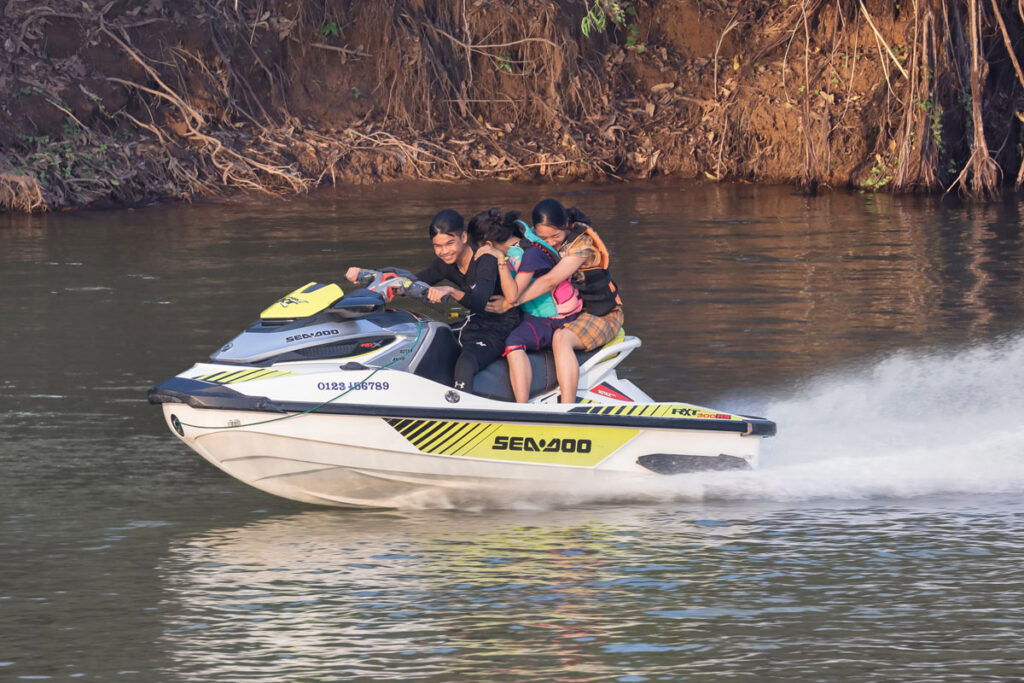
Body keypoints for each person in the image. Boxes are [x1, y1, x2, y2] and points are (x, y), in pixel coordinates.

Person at [346, 208, 520, 393]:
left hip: (501, 327)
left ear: (463, 237)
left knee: (466, 363)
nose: (444, 251)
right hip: (474, 323)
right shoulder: (444, 264)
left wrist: (451, 291)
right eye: (438, 246)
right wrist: (367, 275)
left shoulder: (485, 260)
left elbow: (479, 301)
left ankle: (461, 411)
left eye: (449, 243)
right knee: (428, 341)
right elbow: (411, 281)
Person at [487, 198, 623, 403]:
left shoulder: (582, 245)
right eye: (544, 237)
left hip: (602, 314)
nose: (550, 242)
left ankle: (567, 408)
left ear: (567, 225)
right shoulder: (532, 240)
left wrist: (509, 302)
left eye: (555, 236)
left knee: (561, 338)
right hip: (566, 312)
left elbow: (550, 280)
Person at [473, 209, 582, 402]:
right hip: (532, 311)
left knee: (513, 341)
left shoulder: (529, 254)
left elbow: (513, 296)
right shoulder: (520, 237)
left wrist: (499, 259)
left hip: (554, 316)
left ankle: (522, 406)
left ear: (489, 244)